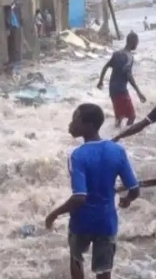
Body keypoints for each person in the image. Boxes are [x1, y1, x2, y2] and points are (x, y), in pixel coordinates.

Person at [46, 103, 140, 279]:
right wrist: (127, 200)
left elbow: (79, 198)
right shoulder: (117, 150)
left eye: (75, 119)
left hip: (81, 221)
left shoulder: (77, 155)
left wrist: (54, 213)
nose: (71, 124)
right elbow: (134, 189)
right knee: (104, 270)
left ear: (88, 125)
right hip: (106, 221)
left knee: (76, 259)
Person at [97, 31, 147, 128]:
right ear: (133, 42)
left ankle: (115, 135)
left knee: (119, 117)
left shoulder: (116, 54)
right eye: (137, 42)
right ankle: (125, 135)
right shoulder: (129, 57)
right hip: (121, 90)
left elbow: (105, 67)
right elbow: (128, 76)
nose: (137, 44)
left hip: (112, 89)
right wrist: (138, 92)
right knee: (132, 116)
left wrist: (100, 81)